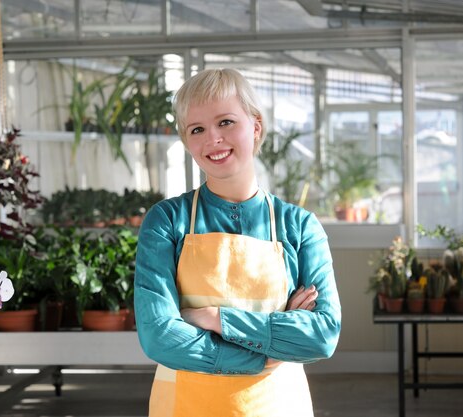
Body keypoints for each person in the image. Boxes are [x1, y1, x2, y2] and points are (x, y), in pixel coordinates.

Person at [134, 68, 341, 417]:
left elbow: (322, 335)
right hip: (185, 407)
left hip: (277, 406)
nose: (212, 138)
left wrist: (216, 319)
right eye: (196, 129)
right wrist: (269, 349)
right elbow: (158, 336)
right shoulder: (166, 220)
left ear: (256, 126)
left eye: (226, 122)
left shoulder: (300, 227)